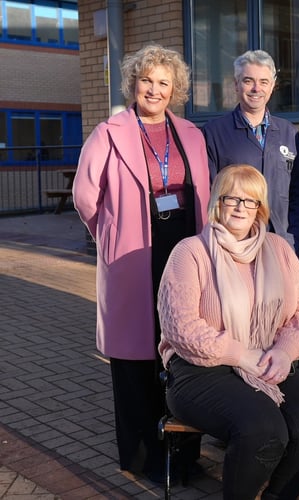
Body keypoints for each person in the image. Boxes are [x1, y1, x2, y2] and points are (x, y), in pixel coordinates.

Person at [72, 44, 211, 483]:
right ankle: (143, 457)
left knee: (184, 351)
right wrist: (110, 234)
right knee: (136, 359)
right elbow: (84, 196)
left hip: (184, 246)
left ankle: (184, 456)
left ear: (176, 90)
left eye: (163, 83)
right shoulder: (108, 132)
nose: (154, 89)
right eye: (147, 80)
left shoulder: (190, 133)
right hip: (133, 254)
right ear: (134, 83)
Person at [157, 165, 299, 499]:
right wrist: (242, 355)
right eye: (232, 198)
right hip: (200, 368)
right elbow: (180, 327)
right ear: (217, 203)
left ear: (260, 208)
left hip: (271, 357)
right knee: (264, 431)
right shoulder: (190, 252)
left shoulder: (279, 249)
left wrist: (284, 350)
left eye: (250, 201)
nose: (240, 207)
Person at [203, 49, 299, 254]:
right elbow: (208, 195)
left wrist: (293, 239)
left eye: (263, 82)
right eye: (248, 81)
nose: (256, 88)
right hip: (232, 246)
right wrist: (222, 240)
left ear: (272, 86)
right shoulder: (214, 133)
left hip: (279, 245)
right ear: (236, 85)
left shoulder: (289, 133)